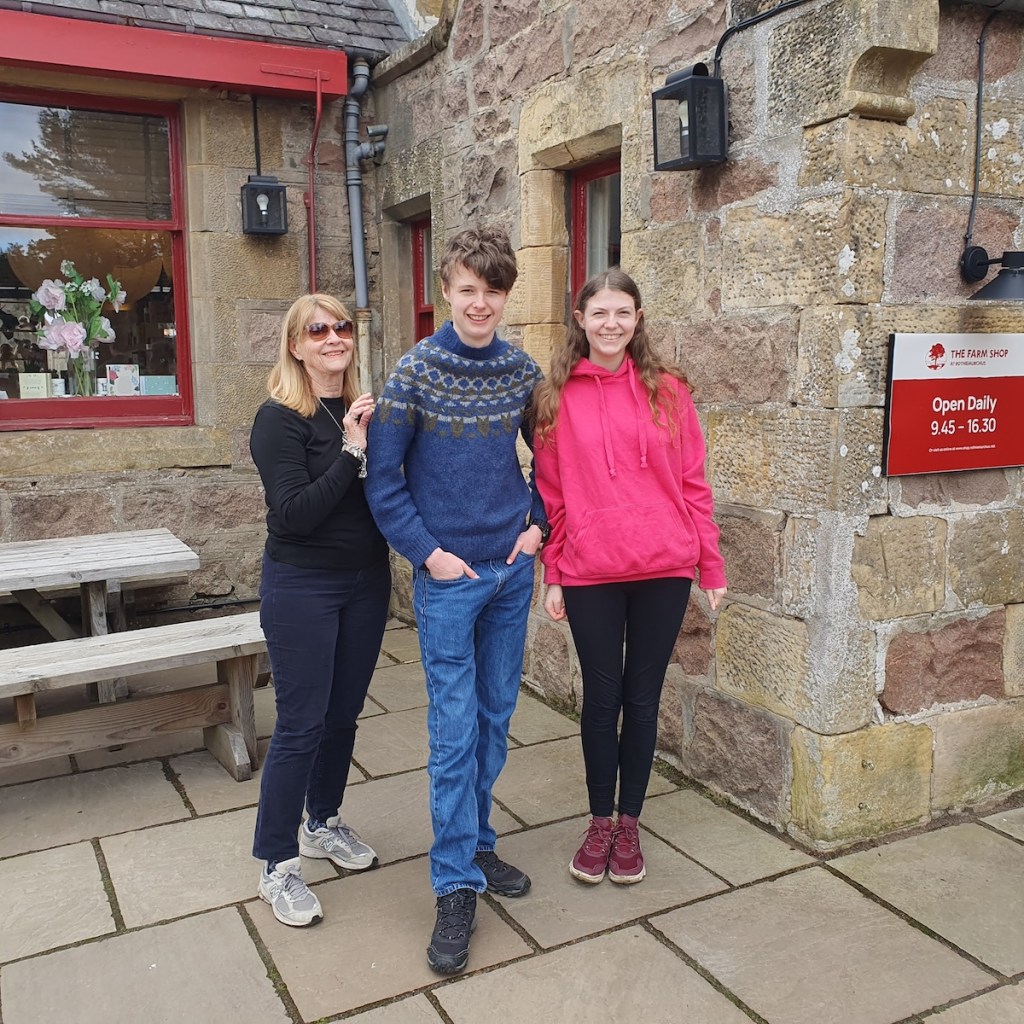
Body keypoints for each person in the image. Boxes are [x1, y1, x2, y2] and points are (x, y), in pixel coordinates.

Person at [365, 227, 547, 975]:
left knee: (496, 721)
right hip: (448, 582)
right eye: (467, 289)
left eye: (492, 291)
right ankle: (454, 885)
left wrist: (537, 525)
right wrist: (429, 555)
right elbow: (384, 480)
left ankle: (476, 843)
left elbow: (553, 459)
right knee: (453, 734)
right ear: (446, 291)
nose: (480, 303)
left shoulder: (522, 371)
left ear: (506, 296)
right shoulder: (415, 373)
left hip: (509, 573)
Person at [532, 268, 727, 886]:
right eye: (599, 313)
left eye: (622, 312)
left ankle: (630, 824)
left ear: (637, 318)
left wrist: (710, 563)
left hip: (663, 567)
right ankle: (598, 823)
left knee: (642, 699)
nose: (610, 323)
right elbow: (552, 494)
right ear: (581, 320)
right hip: (591, 570)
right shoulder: (555, 397)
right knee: (601, 698)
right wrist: (554, 571)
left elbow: (693, 483)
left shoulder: (669, 391)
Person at [249, 294, 391, 927]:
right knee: (301, 724)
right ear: (296, 345)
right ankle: (277, 865)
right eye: (317, 330)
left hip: (366, 583)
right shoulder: (279, 419)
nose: (334, 337)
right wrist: (352, 451)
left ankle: (321, 822)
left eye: (342, 327)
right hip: (302, 586)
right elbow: (294, 513)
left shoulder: (362, 408)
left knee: (342, 717)